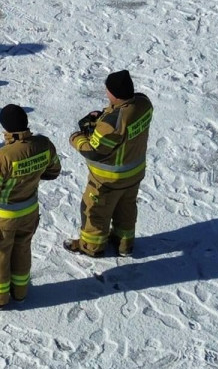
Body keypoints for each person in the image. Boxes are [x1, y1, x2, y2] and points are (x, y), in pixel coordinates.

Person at [0, 105, 61, 309]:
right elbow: (53, 171)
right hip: (29, 212)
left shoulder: (3, 157)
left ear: (5, 127)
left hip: (2, 218)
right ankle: (20, 292)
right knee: (22, 249)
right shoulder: (44, 144)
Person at [63, 70, 154, 258]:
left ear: (114, 93)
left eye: (108, 91)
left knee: (95, 212)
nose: (106, 94)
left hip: (107, 181)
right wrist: (105, 113)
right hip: (134, 174)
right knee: (126, 209)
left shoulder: (111, 124)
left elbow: (94, 151)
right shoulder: (144, 103)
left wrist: (77, 138)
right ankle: (124, 245)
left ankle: (91, 247)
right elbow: (125, 118)